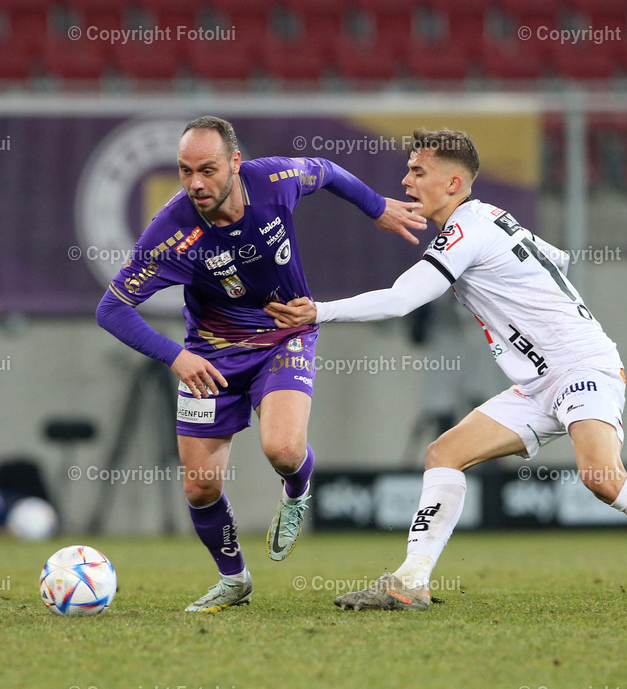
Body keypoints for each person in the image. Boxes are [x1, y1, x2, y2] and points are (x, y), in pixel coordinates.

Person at [265, 128, 627, 610]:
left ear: (453, 183)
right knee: (444, 453)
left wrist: (318, 311)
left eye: (418, 171)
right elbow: (556, 260)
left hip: (581, 366)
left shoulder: (465, 229)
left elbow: (401, 300)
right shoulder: (488, 220)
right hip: (539, 381)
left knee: (602, 477)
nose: (407, 182)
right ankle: (410, 580)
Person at [96, 115, 426, 612]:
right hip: (209, 355)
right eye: (185, 171)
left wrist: (377, 207)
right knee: (200, 485)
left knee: (284, 450)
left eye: (207, 170)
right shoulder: (170, 232)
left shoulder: (274, 180)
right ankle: (235, 581)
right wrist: (176, 356)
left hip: (284, 335)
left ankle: (298, 489)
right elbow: (112, 308)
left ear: (234, 162)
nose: (195, 183)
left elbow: (328, 171)